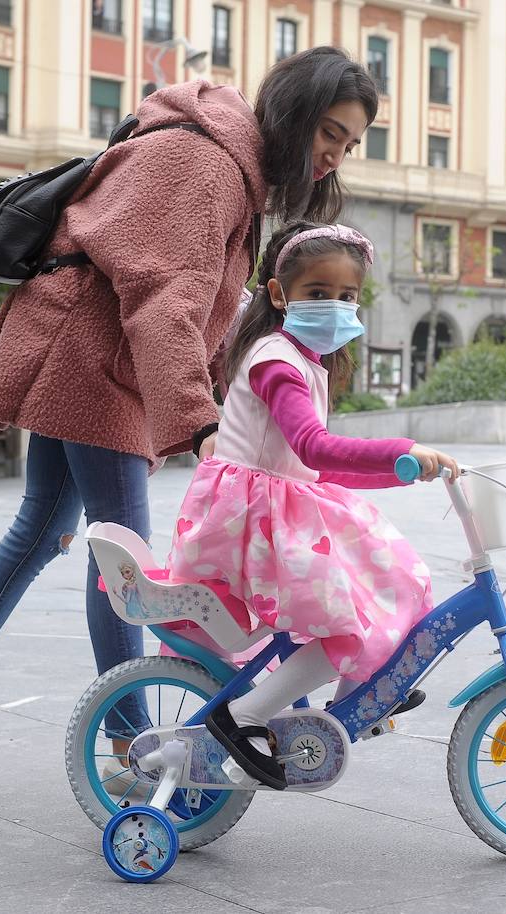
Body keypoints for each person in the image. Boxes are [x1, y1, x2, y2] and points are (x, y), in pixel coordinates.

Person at [0, 48, 381, 794]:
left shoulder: (230, 164)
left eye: (351, 143)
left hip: (87, 347)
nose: (335, 155)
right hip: (95, 356)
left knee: (44, 532)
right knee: (125, 559)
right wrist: (198, 421)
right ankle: (130, 749)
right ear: (295, 112)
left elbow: (191, 300)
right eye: (330, 132)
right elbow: (165, 299)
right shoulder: (207, 163)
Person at [165, 221, 459, 790]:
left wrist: (399, 472)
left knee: (398, 574)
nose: (335, 307)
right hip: (250, 523)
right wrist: (402, 447)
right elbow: (312, 446)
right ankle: (242, 717)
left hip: (277, 508)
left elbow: (315, 465)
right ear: (280, 296)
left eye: (347, 296)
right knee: (351, 619)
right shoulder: (276, 360)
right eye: (318, 294)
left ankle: (359, 698)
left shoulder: (305, 360)